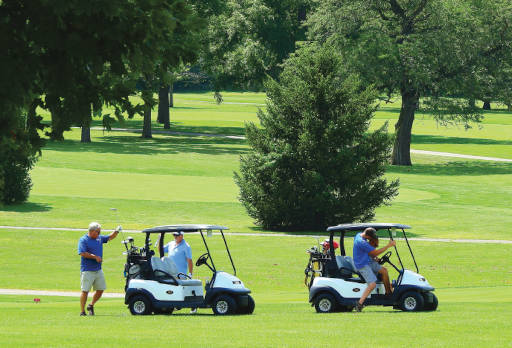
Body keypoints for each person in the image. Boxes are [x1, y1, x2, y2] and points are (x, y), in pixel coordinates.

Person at [78, 222, 120, 316]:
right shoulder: (83, 240)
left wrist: (116, 231)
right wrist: (95, 257)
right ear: (92, 231)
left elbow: (110, 237)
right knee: (85, 291)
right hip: (87, 270)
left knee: (100, 289)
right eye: (98, 232)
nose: (99, 233)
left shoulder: (99, 238)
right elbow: (82, 253)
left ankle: (91, 305)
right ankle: (82, 311)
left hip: (98, 270)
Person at [353, 227, 396, 312]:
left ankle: (388, 294)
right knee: (372, 285)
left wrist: (376, 259)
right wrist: (388, 245)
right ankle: (359, 304)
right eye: (372, 237)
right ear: (368, 236)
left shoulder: (359, 235)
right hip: (362, 265)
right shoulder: (362, 243)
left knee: (384, 271)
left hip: (368, 261)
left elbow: (370, 254)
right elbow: (375, 252)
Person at [162, 231, 195, 313]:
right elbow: (161, 250)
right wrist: (160, 238)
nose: (175, 237)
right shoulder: (171, 244)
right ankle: (174, 306)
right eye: (174, 235)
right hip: (170, 272)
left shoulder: (186, 246)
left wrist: (190, 274)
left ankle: (193, 306)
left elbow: (189, 261)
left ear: (181, 235)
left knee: (183, 291)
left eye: (176, 235)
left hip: (180, 274)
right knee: (171, 290)